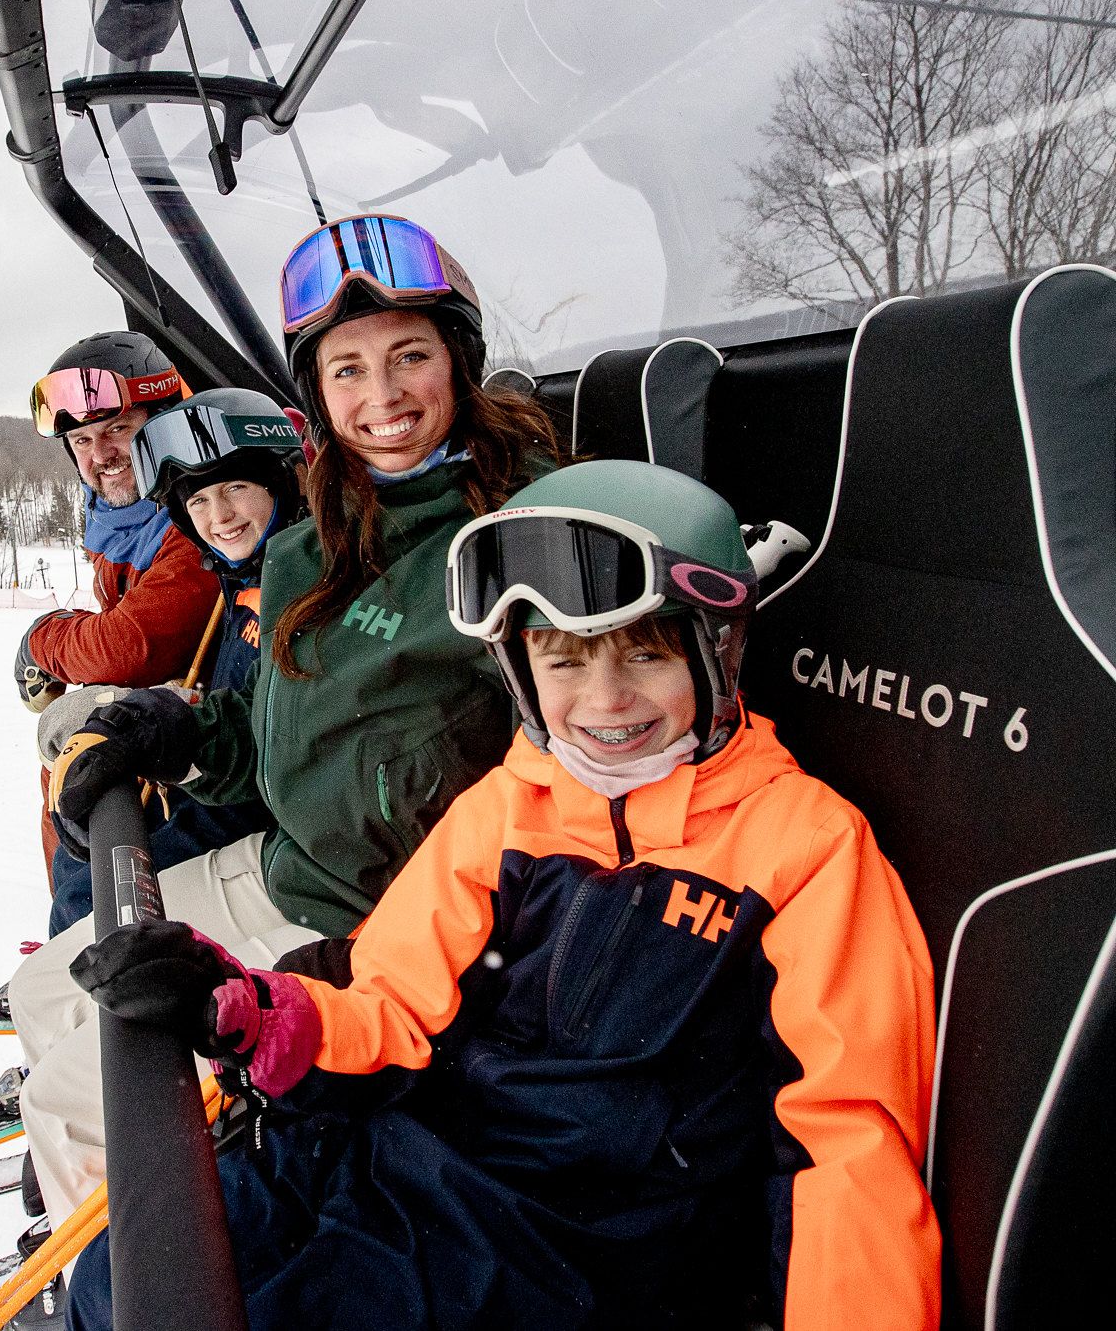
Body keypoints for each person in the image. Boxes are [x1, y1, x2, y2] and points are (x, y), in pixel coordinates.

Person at [69, 460, 941, 1330]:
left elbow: (848, 1142)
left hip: (578, 1245)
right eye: (562, 661)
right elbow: (392, 999)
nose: (604, 700)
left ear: (717, 648)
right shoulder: (513, 803)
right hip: (407, 1161)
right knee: (121, 1278)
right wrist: (254, 1015)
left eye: (646, 652)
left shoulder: (805, 847)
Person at [11, 214, 563, 1217]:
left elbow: (576, 772)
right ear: (317, 392)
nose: (381, 395)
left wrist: (384, 957)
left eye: (408, 356)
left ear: (458, 362)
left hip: (378, 923)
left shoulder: (522, 532)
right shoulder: (317, 532)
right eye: (345, 371)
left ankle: (128, 1265)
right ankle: (132, 1199)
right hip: (285, 867)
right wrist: (178, 740)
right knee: (45, 993)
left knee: (75, 1100)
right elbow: (275, 732)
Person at [34, 387, 304, 930]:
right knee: (81, 854)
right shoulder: (241, 574)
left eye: (235, 488)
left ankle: (91, 990)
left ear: (282, 481)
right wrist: (163, 713)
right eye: (199, 500)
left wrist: (171, 729)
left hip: (264, 818)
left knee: (95, 886)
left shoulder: (301, 582)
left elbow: (131, 646)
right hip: (224, 786)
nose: (219, 515)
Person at [15, 332, 230, 909]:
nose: (99, 455)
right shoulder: (122, 524)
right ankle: (66, 956)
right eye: (82, 440)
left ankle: (77, 962)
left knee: (89, 805)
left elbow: (130, 646)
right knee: (68, 769)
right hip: (160, 734)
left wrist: (46, 639)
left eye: (117, 430)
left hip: (206, 753)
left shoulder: (201, 518)